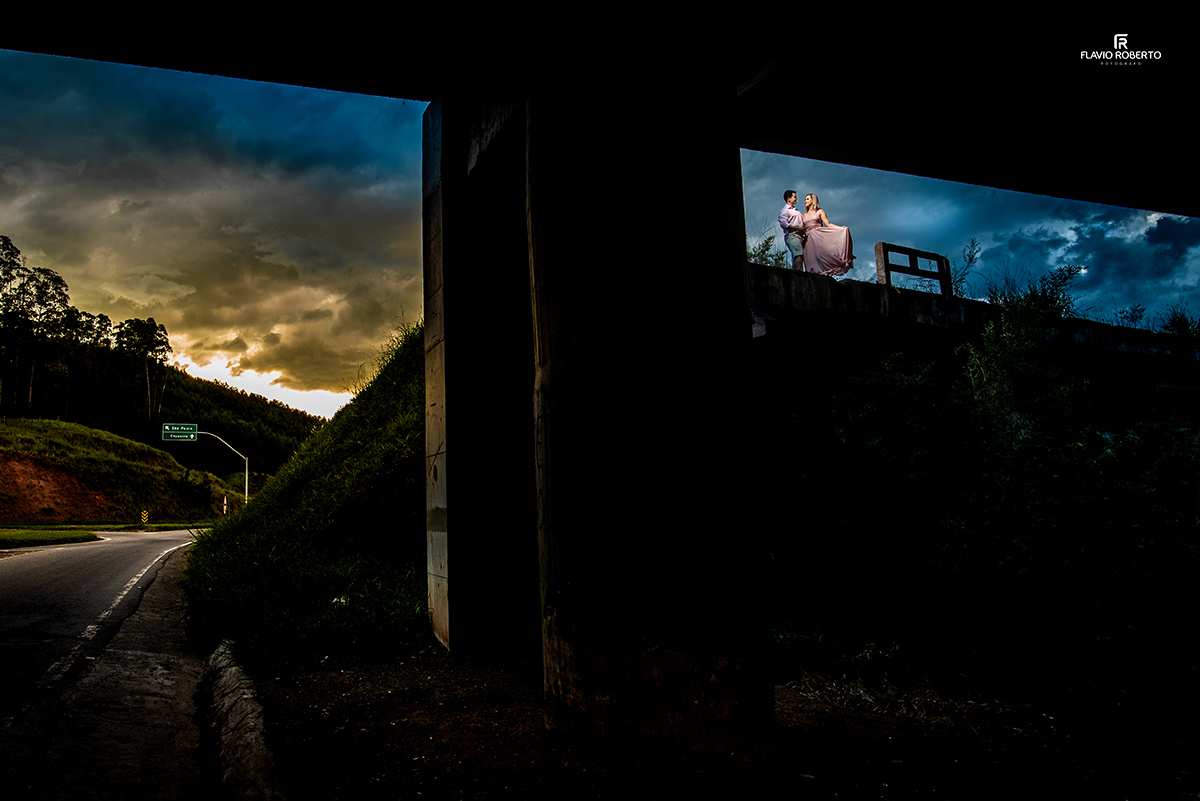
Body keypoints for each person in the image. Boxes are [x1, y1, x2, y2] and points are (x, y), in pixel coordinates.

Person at [800, 193, 855, 277]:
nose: (805, 201)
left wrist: (840, 228)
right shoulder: (803, 215)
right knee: (812, 260)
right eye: (805, 199)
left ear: (813, 200)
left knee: (822, 255)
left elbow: (828, 224)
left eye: (807, 199)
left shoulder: (819, 211)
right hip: (808, 240)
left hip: (818, 236)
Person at [777, 190, 806, 270]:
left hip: (799, 236)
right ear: (789, 198)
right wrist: (797, 228)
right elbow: (784, 224)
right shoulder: (784, 211)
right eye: (795, 197)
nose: (796, 198)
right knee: (798, 254)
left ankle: (795, 271)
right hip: (792, 236)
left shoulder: (796, 211)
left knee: (796, 255)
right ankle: (800, 272)